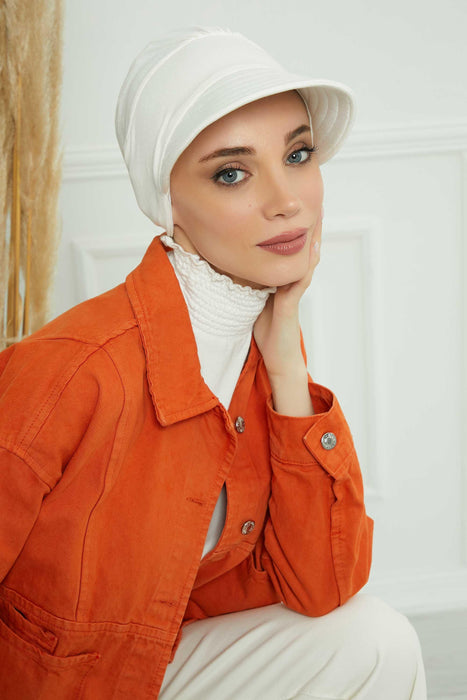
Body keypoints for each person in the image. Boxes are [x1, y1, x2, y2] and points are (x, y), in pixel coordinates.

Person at [0, 25, 426, 699]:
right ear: (166, 203)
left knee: (375, 641)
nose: (286, 199)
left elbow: (323, 587)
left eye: (297, 154)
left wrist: (286, 367)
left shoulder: (262, 352)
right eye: (232, 172)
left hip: (158, 661)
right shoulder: (69, 370)